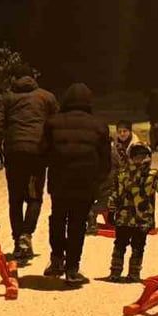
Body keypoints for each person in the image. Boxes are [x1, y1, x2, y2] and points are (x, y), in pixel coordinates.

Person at [42, 83, 110, 285]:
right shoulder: (99, 125)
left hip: (60, 180)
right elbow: (106, 160)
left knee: (57, 218)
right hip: (85, 182)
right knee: (77, 224)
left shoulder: (52, 123)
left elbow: (43, 152)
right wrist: (97, 180)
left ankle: (56, 260)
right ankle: (72, 268)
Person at [0, 64, 58, 260]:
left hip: (14, 152)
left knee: (16, 199)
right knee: (35, 197)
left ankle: (18, 241)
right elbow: (55, 125)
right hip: (38, 152)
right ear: (32, 76)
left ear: (14, 78)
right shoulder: (47, 97)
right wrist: (53, 152)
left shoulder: (6, 97)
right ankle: (26, 234)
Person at [108, 143, 158, 282]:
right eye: (136, 156)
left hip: (142, 218)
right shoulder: (122, 175)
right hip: (123, 218)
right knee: (119, 245)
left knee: (138, 247)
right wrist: (111, 208)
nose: (139, 159)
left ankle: (134, 273)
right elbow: (115, 192)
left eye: (143, 156)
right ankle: (115, 271)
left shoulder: (152, 175)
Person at [89, 120, 134, 234]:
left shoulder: (133, 145)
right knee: (108, 198)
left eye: (125, 131)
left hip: (121, 179)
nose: (122, 134)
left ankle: (109, 217)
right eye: (120, 131)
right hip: (108, 181)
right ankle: (92, 213)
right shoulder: (110, 146)